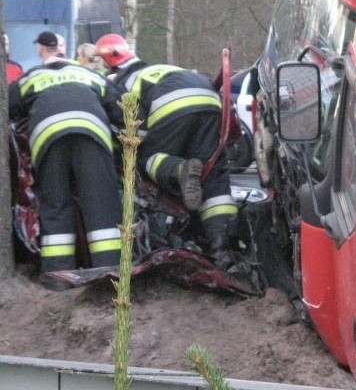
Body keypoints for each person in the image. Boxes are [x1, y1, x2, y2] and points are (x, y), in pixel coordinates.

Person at [94, 33, 237, 266]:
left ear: (109, 65)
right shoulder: (162, 68)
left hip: (170, 104)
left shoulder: (119, 84)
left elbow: (133, 130)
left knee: (151, 158)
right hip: (211, 101)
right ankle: (223, 249)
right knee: (215, 180)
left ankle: (180, 170)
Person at [8, 31, 122, 291]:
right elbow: (122, 108)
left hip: (48, 138)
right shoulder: (92, 76)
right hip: (91, 133)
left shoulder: (31, 77)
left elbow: (10, 109)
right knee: (100, 202)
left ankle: (57, 275)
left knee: (55, 204)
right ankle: (110, 272)